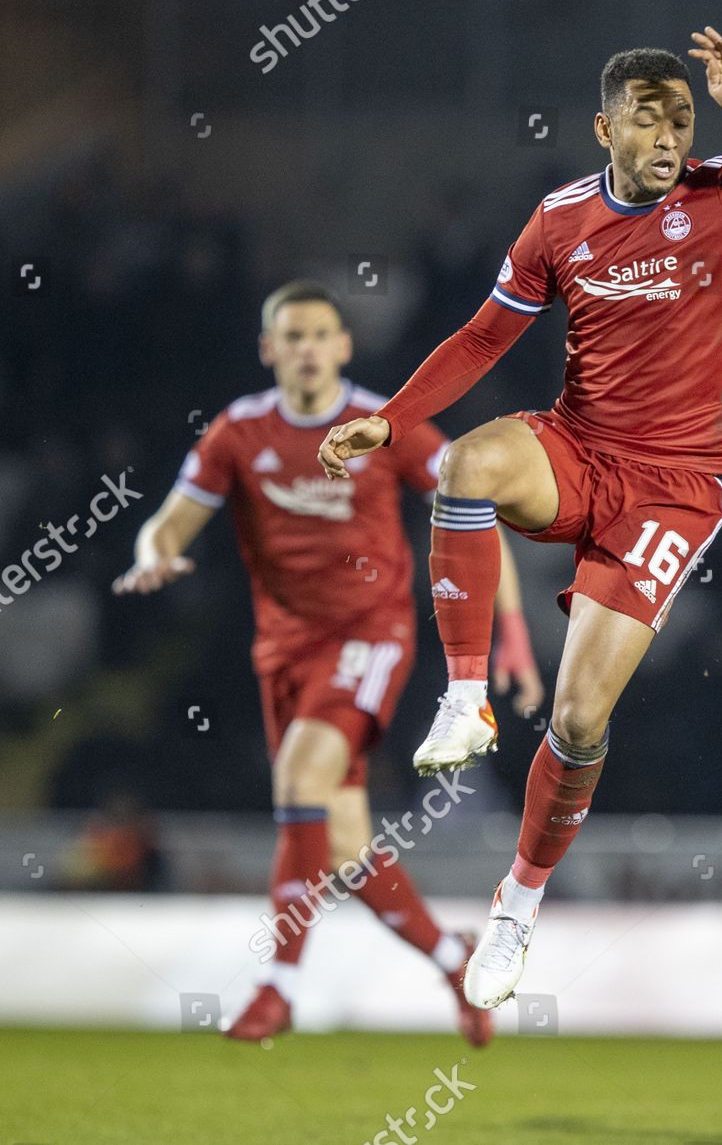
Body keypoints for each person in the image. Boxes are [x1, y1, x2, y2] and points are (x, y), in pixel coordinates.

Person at [318, 29, 722, 1009]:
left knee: (578, 721)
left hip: (676, 486)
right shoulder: (559, 219)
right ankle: (464, 695)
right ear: (604, 126)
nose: (669, 137)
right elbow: (486, 334)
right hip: (576, 449)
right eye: (650, 119)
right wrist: (388, 419)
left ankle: (517, 904)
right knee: (464, 466)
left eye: (683, 119)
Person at [114, 280, 544, 1044]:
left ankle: (278, 986)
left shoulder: (387, 426)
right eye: (292, 334)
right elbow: (169, 523)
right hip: (282, 651)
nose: (307, 347)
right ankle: (455, 962)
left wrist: (509, 626)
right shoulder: (237, 432)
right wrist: (155, 556)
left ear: (343, 346)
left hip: (370, 636)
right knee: (343, 844)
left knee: (301, 780)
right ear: (268, 348)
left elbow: (476, 511)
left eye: (321, 334)